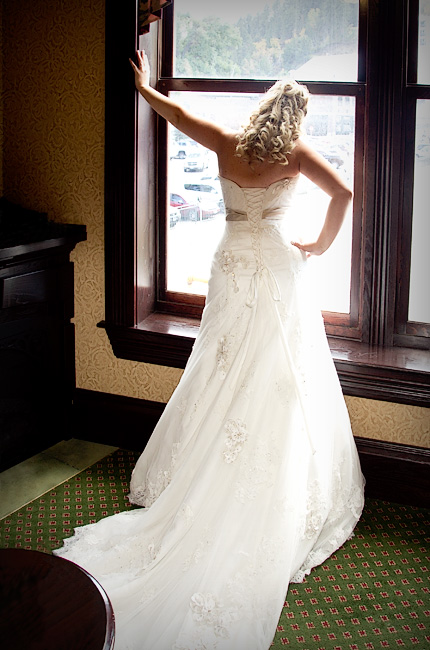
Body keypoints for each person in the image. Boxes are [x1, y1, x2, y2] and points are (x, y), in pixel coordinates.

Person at [54, 50, 365, 650]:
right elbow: (345, 193)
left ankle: (204, 472)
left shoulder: (226, 141)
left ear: (263, 109)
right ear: (297, 118)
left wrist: (144, 86)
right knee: (279, 374)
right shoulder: (297, 154)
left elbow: (175, 115)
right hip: (278, 265)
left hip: (232, 261)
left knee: (221, 366)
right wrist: (321, 246)